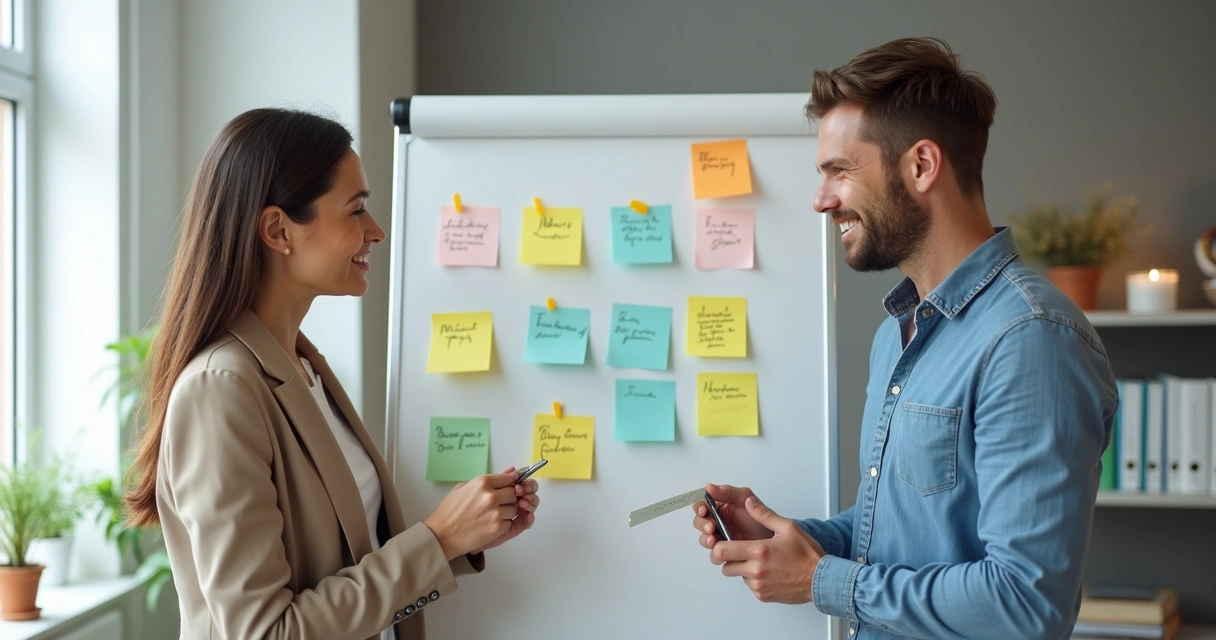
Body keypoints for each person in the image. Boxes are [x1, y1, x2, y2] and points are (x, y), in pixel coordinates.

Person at [692, 37, 1117, 639]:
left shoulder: (1030, 339)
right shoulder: (897, 337)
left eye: (839, 171)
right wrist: (793, 541)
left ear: (921, 165)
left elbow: (1027, 604)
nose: (821, 201)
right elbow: (900, 532)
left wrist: (820, 581)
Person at [125, 108, 540, 640]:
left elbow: (345, 557)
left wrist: (462, 538)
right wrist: (437, 540)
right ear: (279, 230)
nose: (377, 231)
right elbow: (266, 632)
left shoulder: (303, 366)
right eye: (356, 210)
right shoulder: (221, 389)